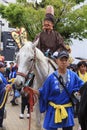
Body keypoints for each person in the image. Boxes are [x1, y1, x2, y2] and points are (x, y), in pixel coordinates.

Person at [28, 50, 84, 130]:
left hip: (67, 109)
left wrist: (78, 92)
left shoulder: (73, 76)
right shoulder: (51, 77)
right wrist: (34, 91)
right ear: (57, 61)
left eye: (66, 60)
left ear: (68, 62)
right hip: (53, 110)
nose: (63, 62)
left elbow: (82, 86)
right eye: (61, 60)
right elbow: (43, 91)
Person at [0, 62, 11, 130]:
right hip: (1, 98)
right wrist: (5, 88)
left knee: (2, 111)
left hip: (2, 97)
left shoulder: (2, 75)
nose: (4, 68)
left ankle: (0, 124)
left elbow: (4, 84)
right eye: (3, 67)